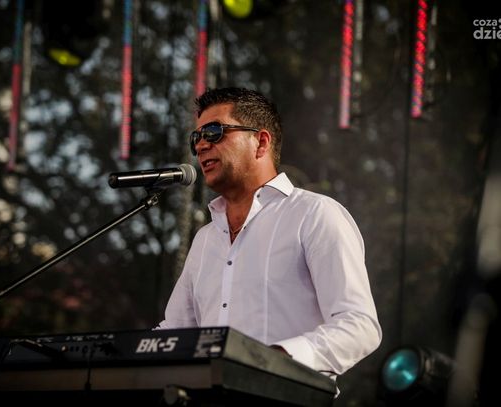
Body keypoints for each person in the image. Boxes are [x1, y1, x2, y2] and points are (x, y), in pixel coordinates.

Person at [158, 87, 382, 377]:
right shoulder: (205, 239)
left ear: (261, 142)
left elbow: (359, 326)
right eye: (196, 138)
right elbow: (174, 333)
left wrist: (274, 360)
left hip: (286, 393)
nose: (201, 145)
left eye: (214, 132)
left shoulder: (314, 214)